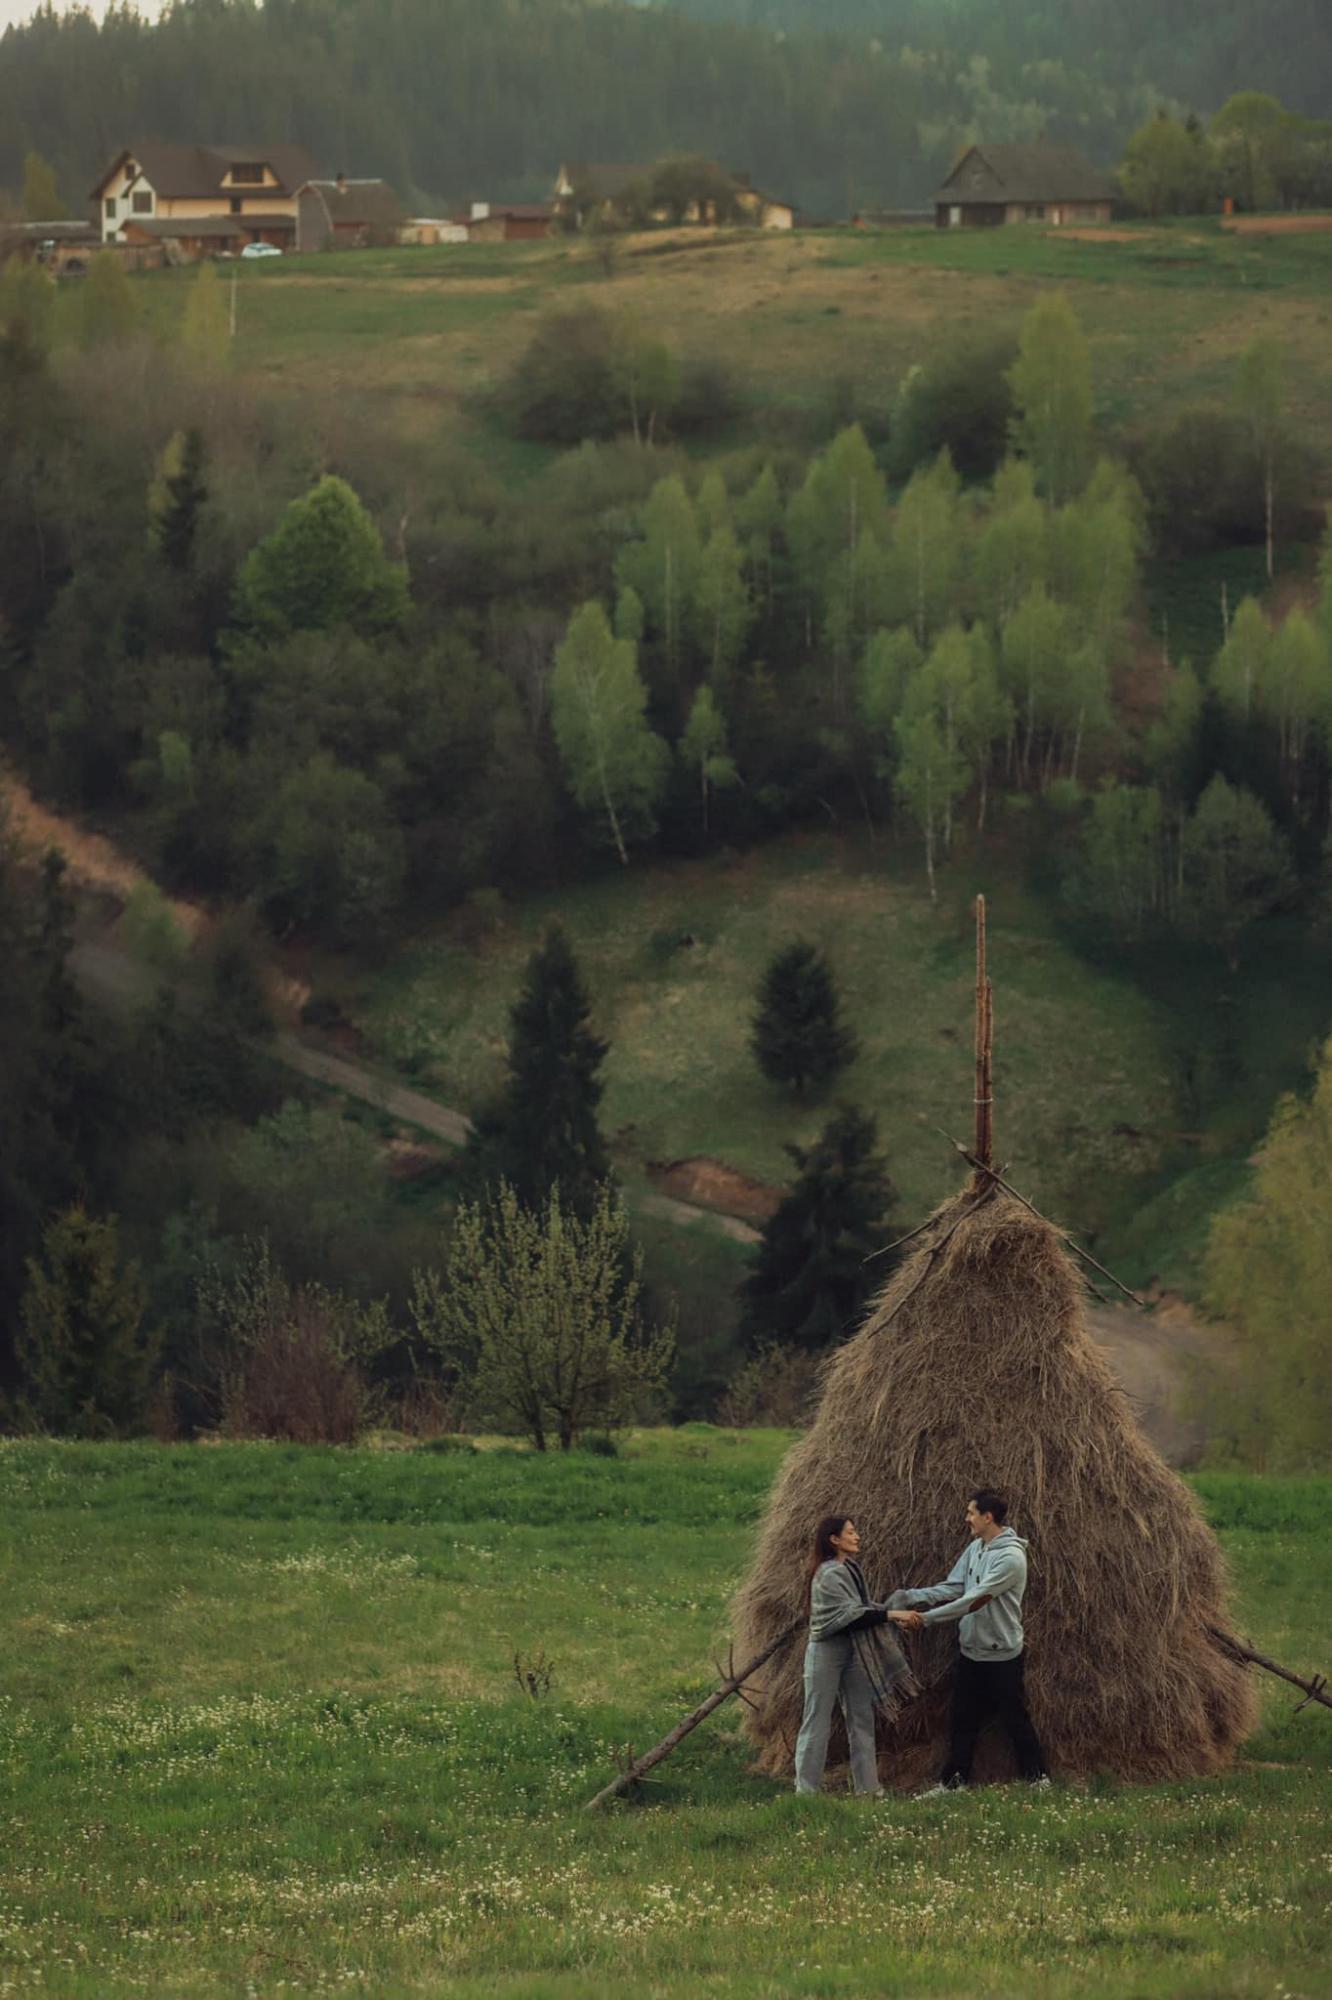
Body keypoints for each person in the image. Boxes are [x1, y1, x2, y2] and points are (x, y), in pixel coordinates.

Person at [887, 1487, 1048, 1793]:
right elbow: (954, 1586)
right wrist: (912, 1596)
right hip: (972, 1653)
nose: (967, 1519)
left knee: (1015, 1718)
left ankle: (1038, 1778)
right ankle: (953, 1783)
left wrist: (926, 1620)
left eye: (971, 1513)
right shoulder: (976, 1549)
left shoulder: (1012, 1559)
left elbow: (973, 1601)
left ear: (988, 1517)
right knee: (962, 1719)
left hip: (1002, 1657)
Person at [794, 1515, 888, 1796]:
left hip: (853, 1649)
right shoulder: (829, 1573)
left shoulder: (850, 1569)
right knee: (817, 1719)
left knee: (862, 1718)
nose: (857, 1536)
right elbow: (853, 1615)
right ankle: (806, 1791)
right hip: (826, 1651)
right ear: (834, 1539)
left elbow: (863, 1609)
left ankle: (869, 1789)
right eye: (850, 1532)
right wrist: (893, 1614)